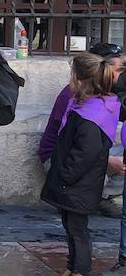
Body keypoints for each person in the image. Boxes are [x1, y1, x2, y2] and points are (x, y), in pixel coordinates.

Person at [42, 52, 121, 276]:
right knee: (70, 226)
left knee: (78, 230)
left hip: (78, 184)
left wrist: (64, 177)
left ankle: (81, 269)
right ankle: (72, 265)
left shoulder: (92, 115)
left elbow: (83, 155)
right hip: (73, 183)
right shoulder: (83, 107)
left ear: (79, 79)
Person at [38, 42, 125, 172]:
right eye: (118, 70)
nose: (121, 76)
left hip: (84, 152)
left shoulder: (109, 90)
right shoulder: (76, 93)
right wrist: (108, 161)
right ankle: (104, 189)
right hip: (58, 159)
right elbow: (75, 146)